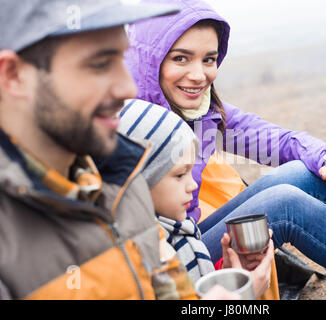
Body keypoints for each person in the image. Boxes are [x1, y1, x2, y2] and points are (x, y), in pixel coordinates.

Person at [123, 0, 326, 293]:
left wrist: (325, 157)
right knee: (285, 205)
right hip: (168, 268)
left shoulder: (199, 113)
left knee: (302, 172)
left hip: (191, 236)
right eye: (181, 58)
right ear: (150, 60)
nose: (199, 75)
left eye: (209, 59)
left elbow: (272, 140)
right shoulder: (125, 124)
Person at [0, 0, 238, 300]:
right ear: (13, 75)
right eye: (100, 65)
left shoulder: (123, 178)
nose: (127, 87)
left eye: (122, 60)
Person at [118, 101, 274, 298]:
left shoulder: (178, 232)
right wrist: (245, 296)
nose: (192, 185)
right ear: (139, 181)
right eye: (180, 175)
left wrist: (228, 276)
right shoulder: (146, 259)